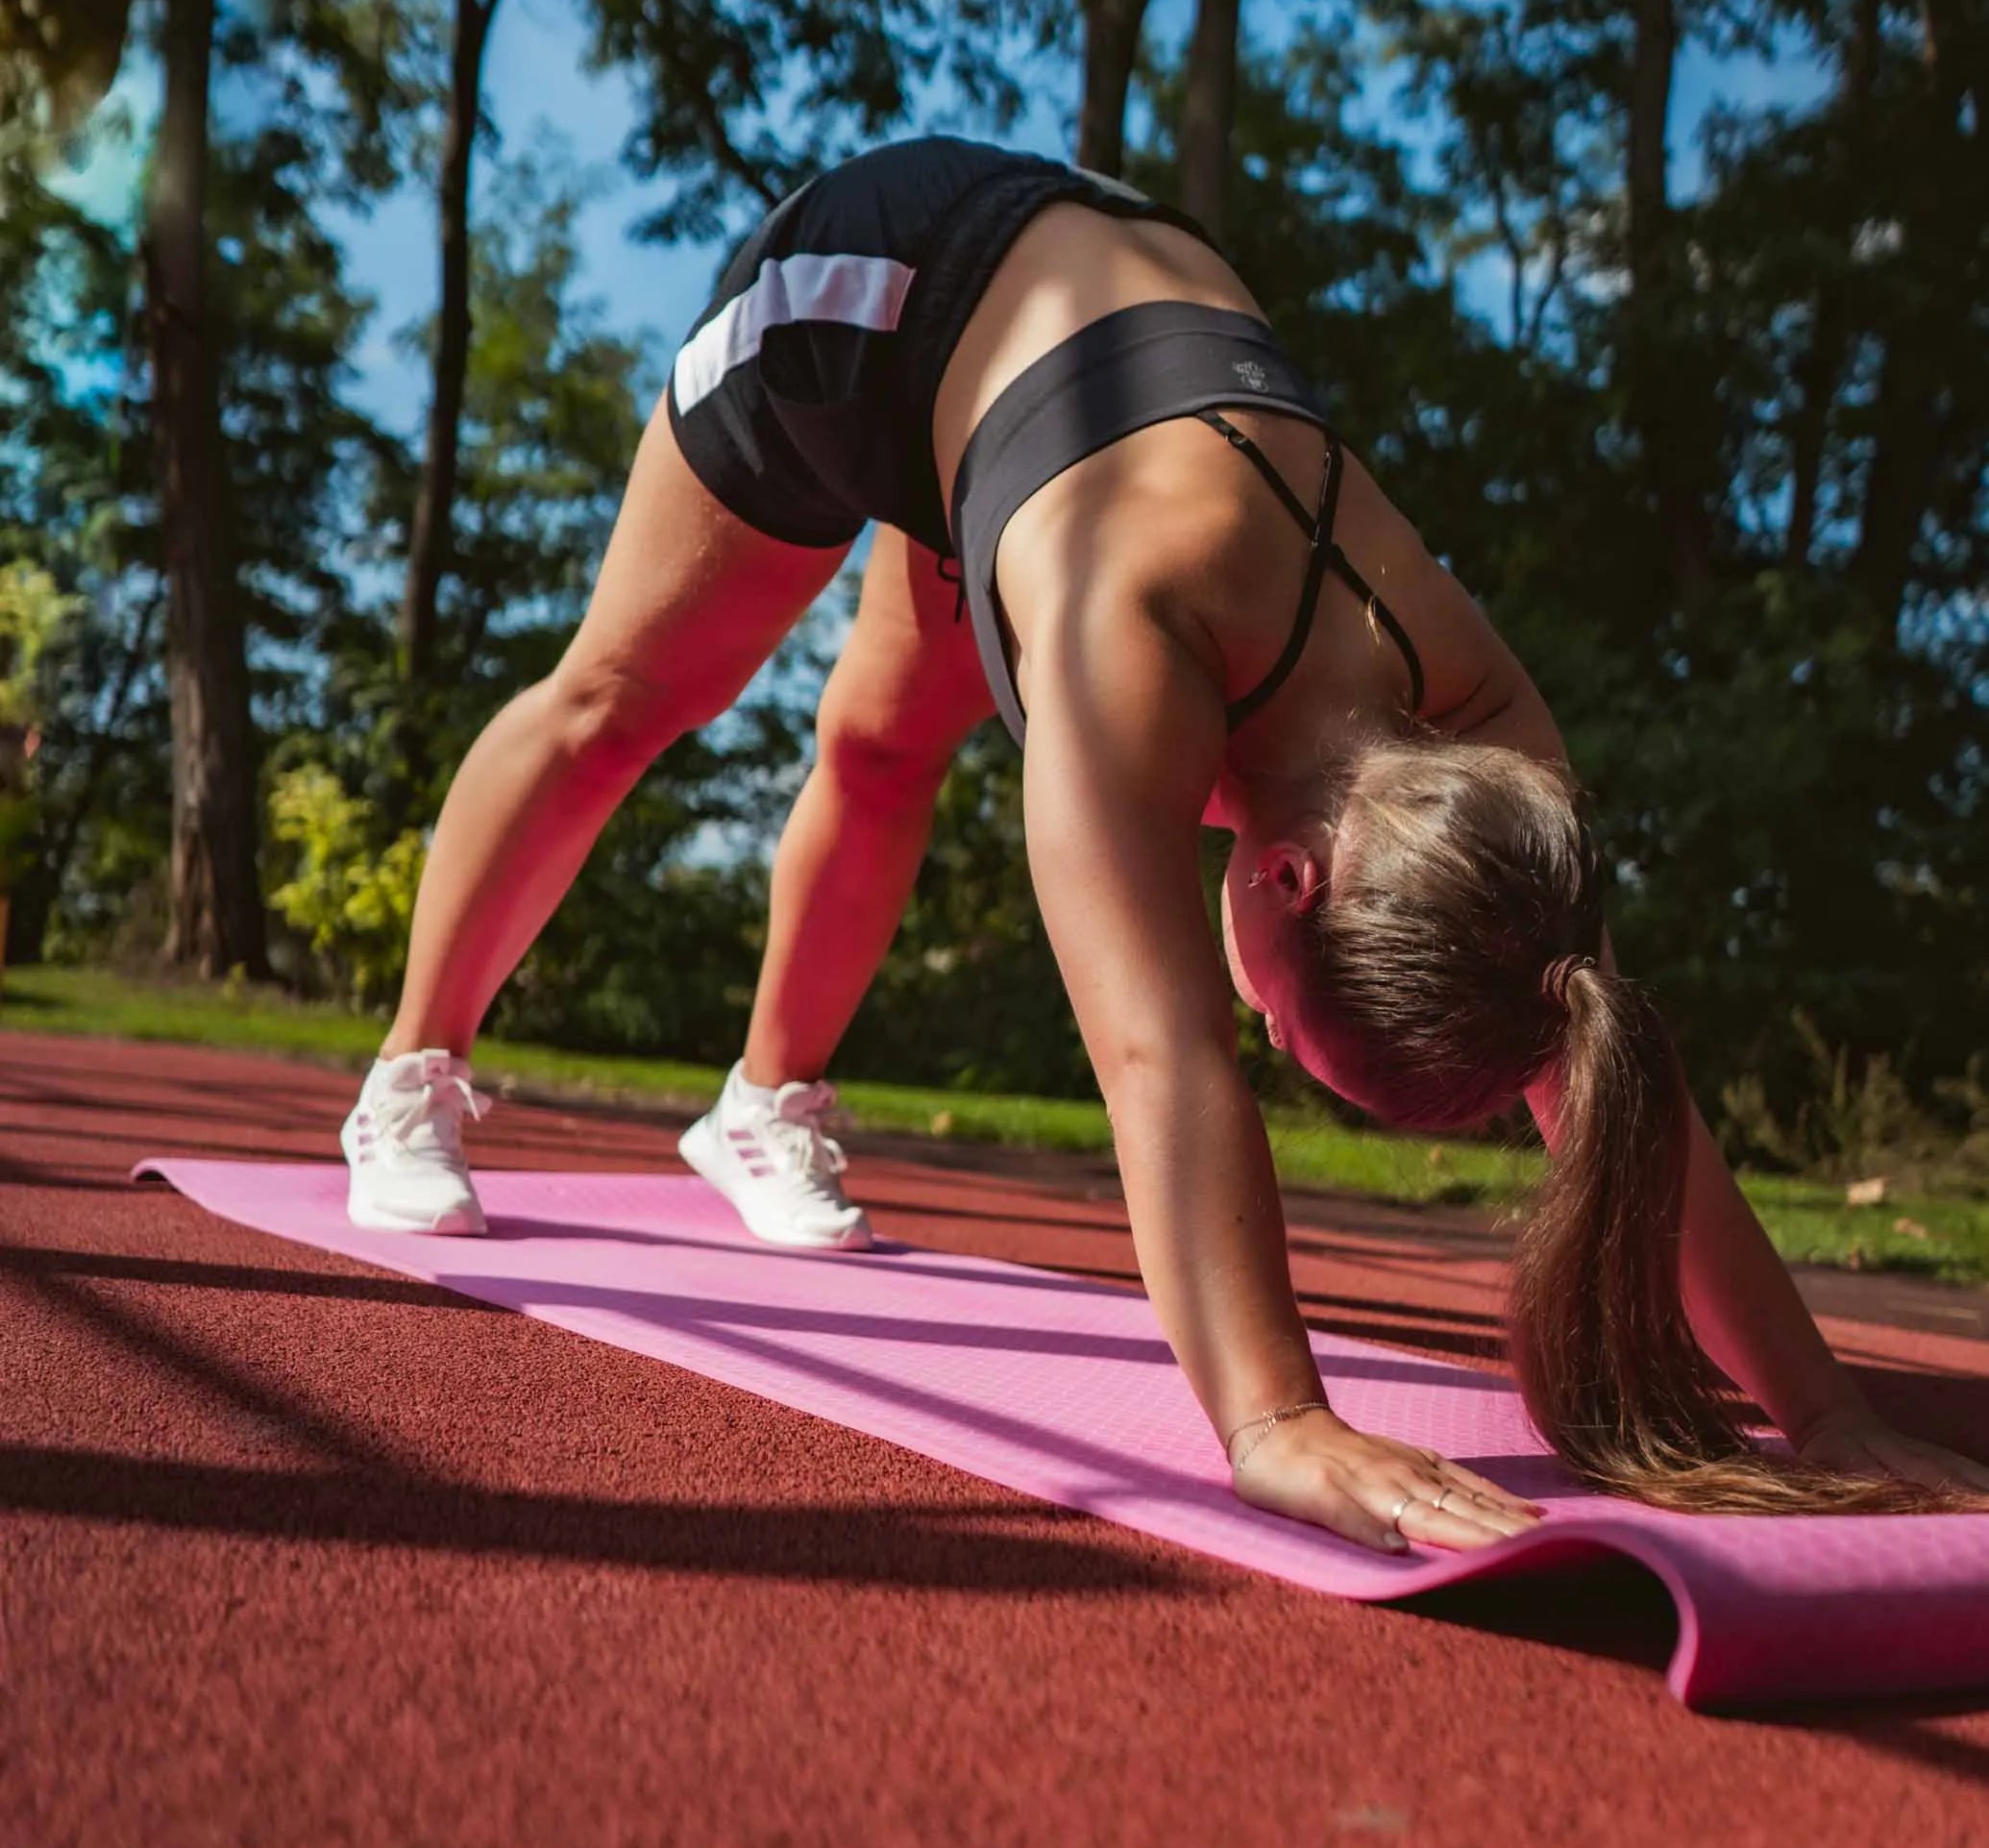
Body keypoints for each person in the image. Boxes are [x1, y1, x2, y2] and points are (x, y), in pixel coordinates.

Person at [339, 136, 1988, 1553]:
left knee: (889, 744)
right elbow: (1158, 1056)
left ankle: (759, 1104)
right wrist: (1272, 1418)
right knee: (633, 695)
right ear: (1287, 879)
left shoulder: (1481, 739)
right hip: (879, 289)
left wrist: (1822, 1411)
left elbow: (1604, 1056)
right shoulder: (1131, 640)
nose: (1256, 1038)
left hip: (1087, 358)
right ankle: (408, 1069)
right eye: (1290, 1029)